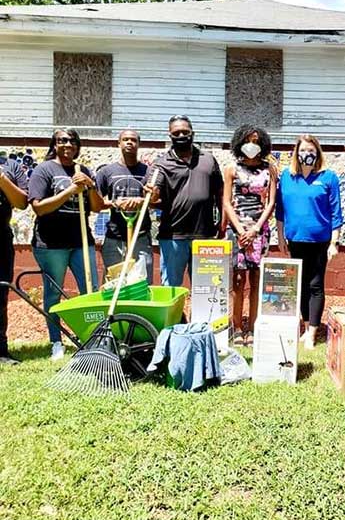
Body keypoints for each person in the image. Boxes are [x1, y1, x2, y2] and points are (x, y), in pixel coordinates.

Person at [28, 129, 104, 360]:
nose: (67, 144)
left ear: (77, 145)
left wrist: (89, 185)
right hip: (51, 244)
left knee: (90, 292)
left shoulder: (83, 170)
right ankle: (56, 342)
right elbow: (39, 207)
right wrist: (71, 190)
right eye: (62, 141)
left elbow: (98, 207)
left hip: (81, 242)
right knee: (53, 294)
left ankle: (91, 339)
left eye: (71, 141)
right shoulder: (44, 170)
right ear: (55, 144)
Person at [276, 134, 343, 349]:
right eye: (303, 151)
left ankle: (313, 332)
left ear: (318, 154)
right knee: (301, 285)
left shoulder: (328, 177)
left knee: (315, 284)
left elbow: (336, 212)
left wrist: (334, 242)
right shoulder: (287, 176)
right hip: (295, 239)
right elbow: (280, 210)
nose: (307, 155)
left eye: (311, 151)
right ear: (296, 153)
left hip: (320, 241)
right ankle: (305, 326)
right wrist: (280, 237)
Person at [151, 115, 223, 286]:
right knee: (171, 288)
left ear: (193, 133)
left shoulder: (208, 159)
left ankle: (200, 315)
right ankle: (175, 314)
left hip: (204, 235)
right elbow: (153, 196)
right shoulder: (161, 164)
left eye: (185, 132)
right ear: (170, 136)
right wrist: (152, 193)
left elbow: (220, 192)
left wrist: (223, 222)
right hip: (173, 236)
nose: (181, 136)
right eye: (176, 133)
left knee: (205, 288)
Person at [223, 125, 277, 347]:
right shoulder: (231, 169)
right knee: (237, 281)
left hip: (259, 231)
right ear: (239, 143)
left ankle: (253, 327)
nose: (252, 145)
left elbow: (271, 202)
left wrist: (255, 229)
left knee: (256, 280)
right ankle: (236, 327)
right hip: (236, 231)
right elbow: (226, 201)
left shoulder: (270, 170)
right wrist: (239, 229)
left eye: (256, 141)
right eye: (247, 140)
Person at [96, 129, 153, 283]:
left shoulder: (148, 172)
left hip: (141, 236)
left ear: (139, 144)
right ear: (119, 143)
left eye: (133, 140)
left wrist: (142, 201)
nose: (129, 142)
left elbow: (157, 200)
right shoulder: (106, 172)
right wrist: (115, 203)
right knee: (113, 283)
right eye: (125, 139)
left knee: (143, 281)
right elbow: (96, 203)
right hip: (114, 237)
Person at [0, 157, 28, 365]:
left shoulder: (11, 166)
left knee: (0, 295)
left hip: (1, 237)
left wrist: (1, 179)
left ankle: (1, 351)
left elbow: (21, 202)